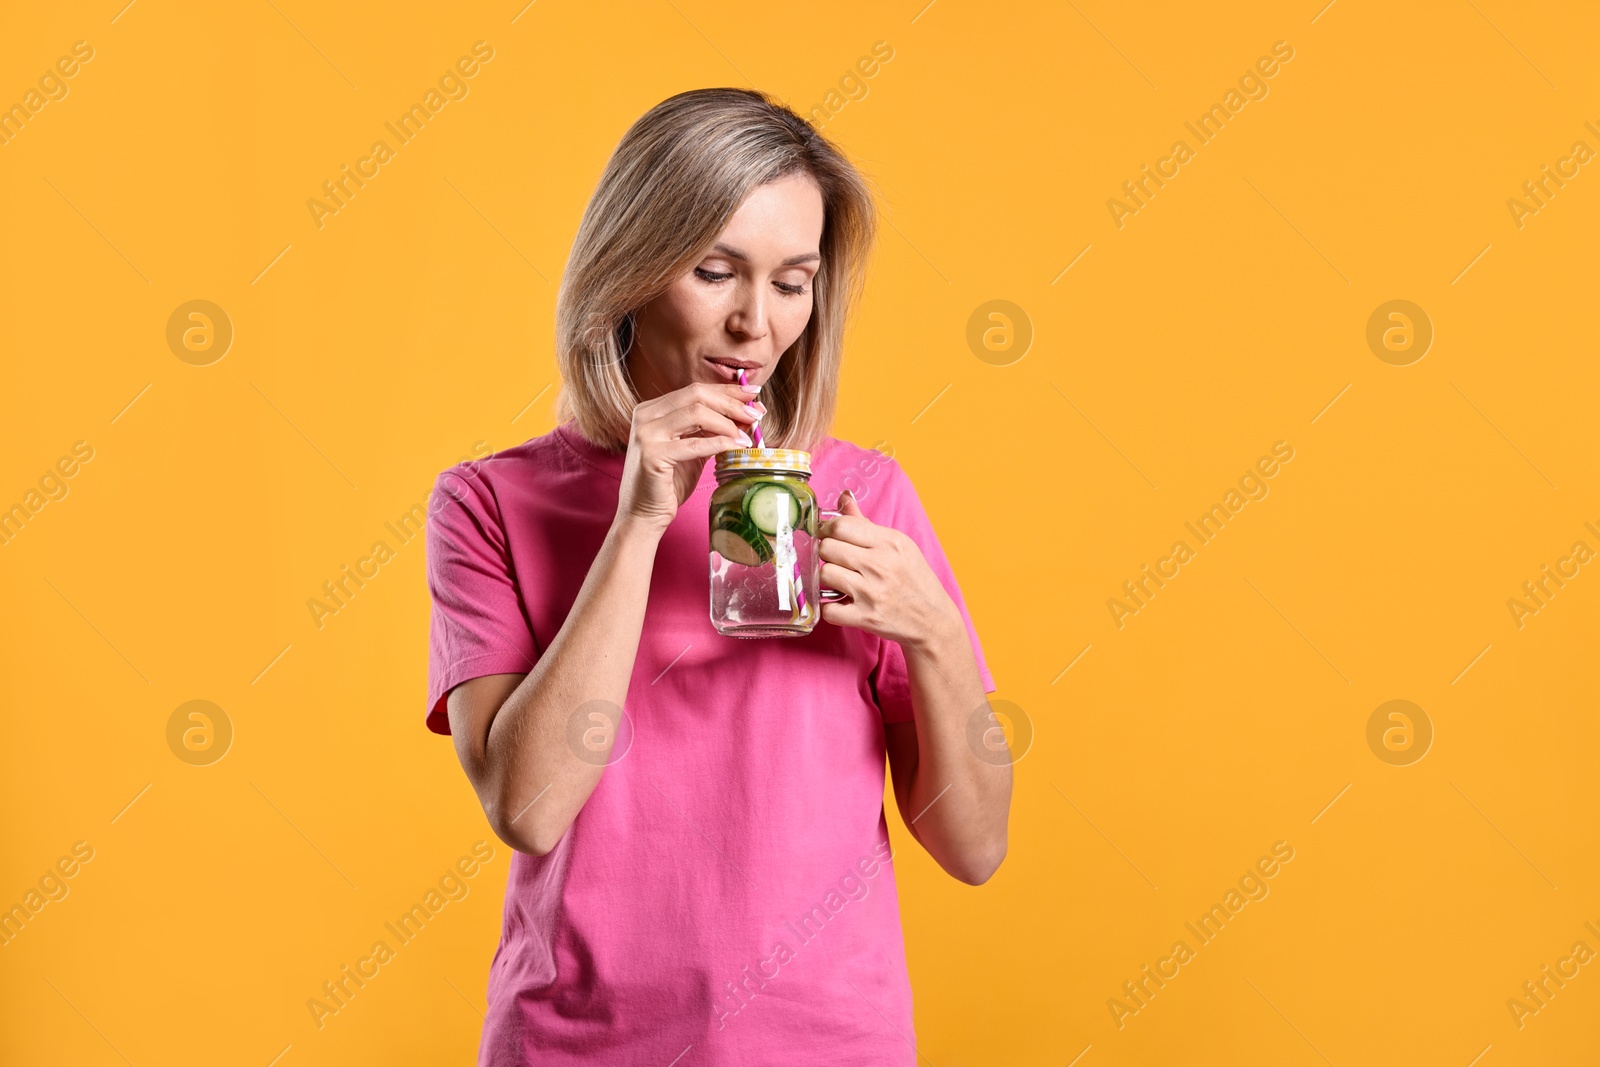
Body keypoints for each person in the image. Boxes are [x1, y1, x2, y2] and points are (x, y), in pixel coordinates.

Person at [424, 86, 1010, 1066]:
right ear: (632, 269)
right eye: (714, 271)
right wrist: (640, 520)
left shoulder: (864, 494)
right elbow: (526, 806)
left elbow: (975, 846)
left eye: (792, 280)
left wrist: (934, 631)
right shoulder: (490, 502)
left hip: (829, 1045)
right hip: (581, 1046)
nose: (755, 322)